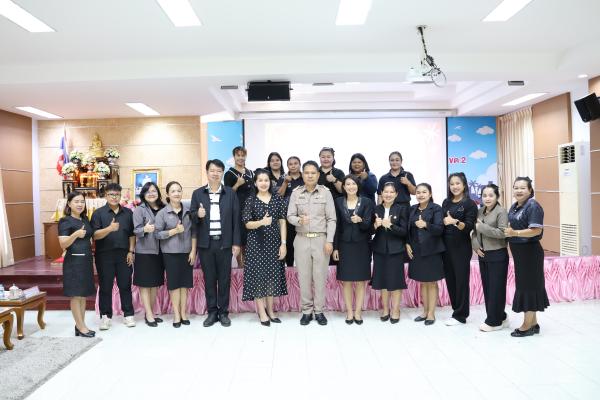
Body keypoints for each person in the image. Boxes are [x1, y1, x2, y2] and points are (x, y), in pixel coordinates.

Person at [190, 159, 241, 328]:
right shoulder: (198, 194)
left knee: (224, 279)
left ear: (222, 173)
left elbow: (236, 220)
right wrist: (197, 214)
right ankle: (212, 312)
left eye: (219, 171)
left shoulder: (230, 193)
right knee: (210, 279)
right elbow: (191, 217)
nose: (215, 173)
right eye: (212, 170)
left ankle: (224, 312)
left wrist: (236, 243)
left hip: (225, 244)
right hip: (206, 244)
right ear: (207, 172)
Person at [287, 160, 336, 326]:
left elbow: (332, 219)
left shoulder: (325, 193)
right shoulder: (296, 193)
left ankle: (319, 311)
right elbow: (290, 216)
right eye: (306, 173)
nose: (309, 175)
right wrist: (299, 220)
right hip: (301, 239)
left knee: (320, 277)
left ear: (318, 175)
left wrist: (329, 240)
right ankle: (307, 311)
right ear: (302, 175)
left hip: (321, 240)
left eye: (313, 173)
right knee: (304, 277)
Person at [242, 169, 288, 326]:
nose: (263, 183)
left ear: (271, 182)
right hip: (256, 245)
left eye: (266, 180)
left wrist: (283, 244)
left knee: (271, 278)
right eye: (260, 180)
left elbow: (282, 221)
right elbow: (247, 223)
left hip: (274, 244)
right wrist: (261, 222)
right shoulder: (251, 200)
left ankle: (271, 310)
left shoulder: (277, 199)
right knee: (258, 278)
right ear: (255, 183)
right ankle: (262, 312)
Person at [505, 177, 549, 337]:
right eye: (516, 187)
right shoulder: (515, 206)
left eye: (523, 188)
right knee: (528, 286)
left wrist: (515, 233)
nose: (519, 190)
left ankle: (527, 326)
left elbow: (536, 230)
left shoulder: (533, 206)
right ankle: (534, 323)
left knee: (528, 287)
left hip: (530, 253)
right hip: (520, 254)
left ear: (530, 190)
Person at [91, 183, 135, 330]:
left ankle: (128, 315)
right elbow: (95, 235)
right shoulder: (98, 213)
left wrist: (131, 251)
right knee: (105, 286)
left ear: (120, 195)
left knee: (125, 284)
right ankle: (105, 316)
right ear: (106, 195)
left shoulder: (128, 213)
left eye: (117, 194)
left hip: (124, 254)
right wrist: (109, 229)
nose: (114, 197)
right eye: (111, 194)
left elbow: (132, 234)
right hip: (104, 255)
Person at [333, 175, 374, 324]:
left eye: (354, 184)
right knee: (347, 281)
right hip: (344, 245)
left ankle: (358, 312)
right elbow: (336, 226)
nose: (351, 187)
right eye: (348, 184)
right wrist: (335, 247)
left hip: (362, 245)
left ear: (358, 186)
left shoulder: (367, 202)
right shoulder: (338, 202)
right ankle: (349, 312)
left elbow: (370, 226)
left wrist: (361, 220)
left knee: (361, 281)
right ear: (343, 187)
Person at [155, 181, 196, 328]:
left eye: (179, 190)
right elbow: (157, 234)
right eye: (173, 191)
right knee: (174, 285)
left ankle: (184, 313)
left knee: (184, 285)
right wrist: (174, 231)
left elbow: (194, 232)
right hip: (170, 254)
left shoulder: (189, 211)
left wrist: (193, 251)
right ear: (167, 194)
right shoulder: (162, 213)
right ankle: (176, 314)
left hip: (187, 253)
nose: (176, 193)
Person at [471, 184, 509, 332]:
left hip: (497, 254)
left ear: (497, 196)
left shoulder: (501, 211)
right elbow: (474, 232)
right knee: (488, 288)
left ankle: (494, 322)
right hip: (483, 254)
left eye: (491, 195)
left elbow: (502, 233)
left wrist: (482, 227)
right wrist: (475, 245)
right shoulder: (480, 211)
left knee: (496, 289)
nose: (487, 198)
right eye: (484, 195)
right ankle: (501, 317)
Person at [441, 172, 477, 326]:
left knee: (461, 280)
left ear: (464, 185)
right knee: (450, 280)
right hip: (446, 246)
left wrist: (454, 222)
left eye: (457, 183)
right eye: (452, 184)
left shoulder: (470, 204)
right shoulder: (446, 202)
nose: (454, 186)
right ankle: (456, 311)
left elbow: (469, 226)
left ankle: (461, 315)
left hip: (461, 247)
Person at [406, 183, 445, 326]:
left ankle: (431, 313)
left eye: (424, 192)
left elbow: (439, 229)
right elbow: (407, 229)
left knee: (432, 282)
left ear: (430, 194)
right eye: (418, 192)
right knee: (422, 282)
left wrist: (426, 225)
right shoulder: (412, 209)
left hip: (432, 250)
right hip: (417, 250)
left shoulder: (436, 208)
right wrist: (407, 243)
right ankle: (425, 311)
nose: (421, 195)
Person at [58, 192, 96, 337]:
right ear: (69, 204)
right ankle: (81, 327)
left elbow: (89, 238)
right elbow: (63, 244)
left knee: (83, 295)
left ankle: (80, 325)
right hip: (73, 262)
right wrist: (75, 234)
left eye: (82, 201)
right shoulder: (65, 221)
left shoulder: (85, 219)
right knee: (76, 295)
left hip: (86, 261)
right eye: (76, 201)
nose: (80, 204)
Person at [371, 182, 408, 323]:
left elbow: (404, 231)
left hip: (396, 250)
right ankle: (385, 309)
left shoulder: (402, 209)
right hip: (379, 249)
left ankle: (396, 310)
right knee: (382, 280)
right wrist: (375, 225)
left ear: (396, 194)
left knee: (396, 281)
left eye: (391, 192)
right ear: (381, 193)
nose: (388, 194)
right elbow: (369, 230)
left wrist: (391, 225)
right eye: (386, 192)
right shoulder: (376, 209)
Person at [132, 182, 165, 327]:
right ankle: (149, 314)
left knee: (155, 284)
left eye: (154, 191)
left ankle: (149, 313)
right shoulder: (139, 210)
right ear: (143, 194)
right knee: (145, 284)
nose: (151, 194)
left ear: (158, 193)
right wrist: (144, 229)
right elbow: (136, 230)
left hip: (161, 251)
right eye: (148, 191)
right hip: (145, 251)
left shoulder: (164, 208)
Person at [224, 146, 254, 267]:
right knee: (240, 238)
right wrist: (237, 184)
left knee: (250, 239)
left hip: (251, 211)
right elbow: (227, 195)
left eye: (243, 155)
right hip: (237, 211)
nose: (241, 158)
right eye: (238, 155)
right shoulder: (229, 174)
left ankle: (249, 267)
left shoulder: (251, 173)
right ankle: (241, 267)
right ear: (234, 157)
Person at [277, 156, 303, 266]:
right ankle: (290, 269)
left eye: (295, 163)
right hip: (288, 216)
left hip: (302, 216)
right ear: (287, 166)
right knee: (289, 244)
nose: (293, 166)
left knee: (302, 245)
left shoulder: (305, 177)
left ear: (300, 164)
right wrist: (285, 182)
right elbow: (279, 195)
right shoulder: (283, 178)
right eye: (290, 164)